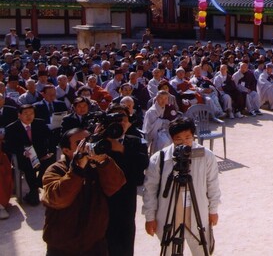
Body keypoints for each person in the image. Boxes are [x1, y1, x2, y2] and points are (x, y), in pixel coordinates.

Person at [142, 117, 221, 256]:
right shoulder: (159, 158)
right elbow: (150, 190)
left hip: (197, 213)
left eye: (188, 137)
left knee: (202, 250)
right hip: (169, 213)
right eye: (179, 139)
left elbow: (213, 184)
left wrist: (213, 210)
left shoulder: (206, 155)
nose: (184, 143)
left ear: (193, 136)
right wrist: (150, 217)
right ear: (172, 138)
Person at [41, 128, 126, 256]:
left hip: (94, 244)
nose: (86, 147)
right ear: (66, 150)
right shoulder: (55, 170)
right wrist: (77, 169)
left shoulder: (98, 165)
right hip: (62, 246)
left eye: (89, 141)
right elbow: (59, 198)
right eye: (80, 143)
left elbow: (116, 185)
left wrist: (104, 161)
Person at [103, 106, 149, 256]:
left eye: (123, 119)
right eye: (115, 119)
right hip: (102, 195)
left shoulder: (136, 140)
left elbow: (143, 163)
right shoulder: (99, 140)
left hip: (126, 194)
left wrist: (122, 149)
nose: (120, 122)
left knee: (126, 232)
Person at [4, 104, 57, 205]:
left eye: (31, 113)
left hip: (41, 155)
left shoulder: (40, 123)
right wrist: (22, 151)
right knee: (30, 165)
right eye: (26, 114)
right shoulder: (11, 128)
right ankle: (34, 190)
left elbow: (52, 138)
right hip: (24, 158)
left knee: (52, 159)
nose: (29, 116)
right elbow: (8, 146)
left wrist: (50, 151)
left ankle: (35, 188)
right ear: (19, 115)